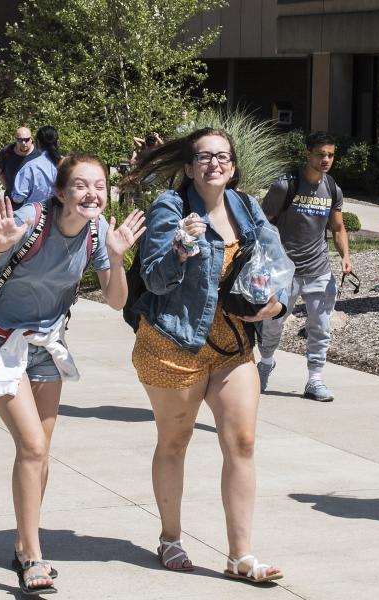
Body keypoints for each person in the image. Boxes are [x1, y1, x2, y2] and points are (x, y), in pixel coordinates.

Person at [0, 154, 144, 595]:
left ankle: (25, 543)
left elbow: (118, 302)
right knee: (33, 445)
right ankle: (33, 555)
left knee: (39, 453)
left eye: (99, 185)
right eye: (80, 185)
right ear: (60, 192)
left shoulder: (97, 234)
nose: (91, 194)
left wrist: (117, 260)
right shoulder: (29, 219)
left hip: (47, 347)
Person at [121, 128, 288, 584]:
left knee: (243, 443)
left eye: (222, 156)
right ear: (191, 166)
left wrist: (277, 303)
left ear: (233, 167)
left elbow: (276, 265)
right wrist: (180, 248)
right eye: (203, 156)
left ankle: (240, 555)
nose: (213, 163)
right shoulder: (170, 208)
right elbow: (153, 280)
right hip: (174, 343)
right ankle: (171, 538)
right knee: (175, 442)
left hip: (232, 343)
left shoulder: (248, 208)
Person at [255, 131, 351, 402]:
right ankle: (266, 362)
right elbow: (263, 223)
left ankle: (315, 379)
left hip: (318, 269)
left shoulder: (332, 188)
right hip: (285, 270)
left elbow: (338, 227)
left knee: (320, 325)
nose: (326, 160)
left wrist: (345, 255)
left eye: (330, 155)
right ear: (307, 153)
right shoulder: (285, 186)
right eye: (321, 154)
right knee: (274, 324)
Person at [11, 126, 60, 207]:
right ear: (58, 142)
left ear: (38, 142)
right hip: (63, 215)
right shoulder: (67, 164)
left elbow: (18, 198)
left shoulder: (30, 167)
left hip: (37, 215)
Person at [0, 127, 37, 203]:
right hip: (11, 199)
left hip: (32, 202)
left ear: (31, 139)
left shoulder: (39, 153)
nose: (23, 143)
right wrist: (9, 188)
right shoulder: (6, 152)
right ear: (15, 140)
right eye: (20, 140)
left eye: (26, 139)